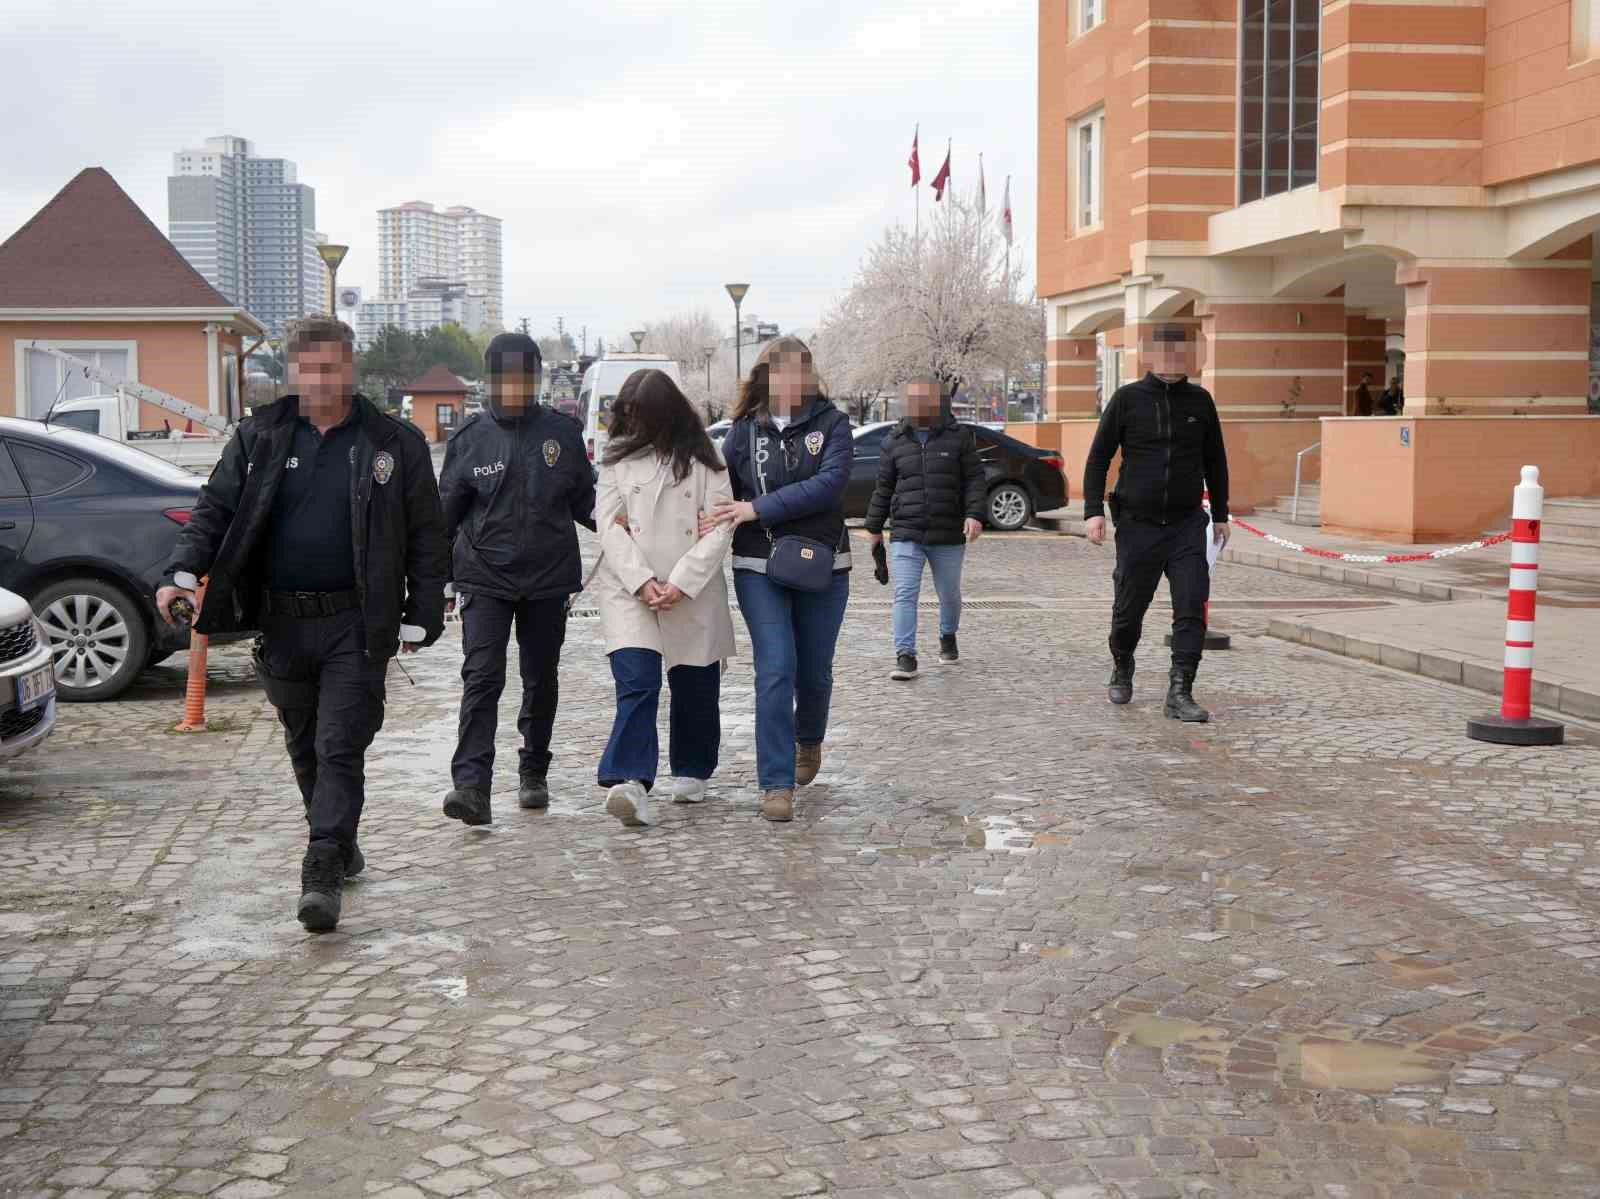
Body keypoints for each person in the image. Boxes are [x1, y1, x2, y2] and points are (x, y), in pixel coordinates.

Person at [156, 315, 448, 933]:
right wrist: (182, 569)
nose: (322, 379)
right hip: (283, 621)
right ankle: (339, 838)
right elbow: (216, 507)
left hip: (356, 621)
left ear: (351, 367)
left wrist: (422, 614)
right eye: (310, 368)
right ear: (294, 372)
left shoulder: (393, 443)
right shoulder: (261, 436)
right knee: (304, 743)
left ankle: (319, 870)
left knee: (340, 743)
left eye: (333, 367)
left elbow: (427, 535)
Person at [437, 333, 596, 827]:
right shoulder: (468, 439)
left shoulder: (563, 434)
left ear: (536, 378)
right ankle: (472, 786)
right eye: (505, 377)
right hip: (484, 577)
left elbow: (586, 504)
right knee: (482, 677)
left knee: (539, 678)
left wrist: (631, 523)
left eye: (524, 376)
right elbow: (442, 519)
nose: (515, 386)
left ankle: (533, 770)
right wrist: (433, 582)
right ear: (491, 380)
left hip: (548, 577)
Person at [710, 336, 851, 823]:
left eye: (800, 372)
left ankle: (808, 739)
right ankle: (775, 783)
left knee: (814, 671)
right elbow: (717, 487)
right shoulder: (742, 431)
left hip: (824, 564)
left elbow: (828, 485)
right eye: (781, 371)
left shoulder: (833, 425)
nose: (791, 381)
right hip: (757, 564)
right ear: (766, 376)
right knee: (775, 668)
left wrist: (759, 507)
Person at [594, 370, 735, 828]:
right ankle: (629, 781)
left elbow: (720, 526)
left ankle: (693, 766)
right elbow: (607, 526)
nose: (636, 427)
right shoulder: (616, 458)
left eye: (644, 418)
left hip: (690, 585)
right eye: (629, 417)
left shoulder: (706, 457)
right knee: (637, 679)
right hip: (630, 588)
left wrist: (681, 581)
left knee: (695, 684)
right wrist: (641, 581)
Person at [1081, 322, 1230, 723]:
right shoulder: (1128, 399)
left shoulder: (1201, 402)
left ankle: (1180, 690)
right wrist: (1093, 510)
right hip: (1137, 523)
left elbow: (1215, 461)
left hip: (1186, 524)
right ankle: (1123, 661)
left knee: (1191, 606)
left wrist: (1221, 515)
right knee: (1129, 610)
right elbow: (1098, 458)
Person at [864, 375, 985, 680]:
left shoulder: (958, 437)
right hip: (907, 531)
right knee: (905, 593)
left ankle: (948, 635)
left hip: (948, 533)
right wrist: (874, 527)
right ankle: (905, 655)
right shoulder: (894, 441)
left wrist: (975, 515)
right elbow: (883, 487)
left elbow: (974, 480)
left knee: (949, 594)